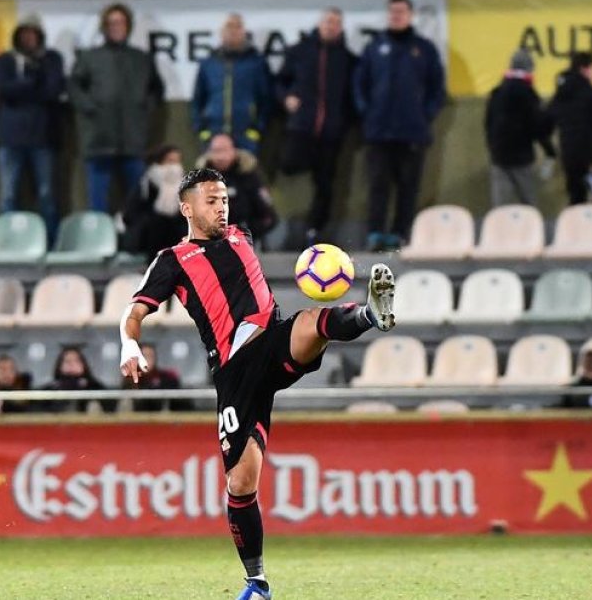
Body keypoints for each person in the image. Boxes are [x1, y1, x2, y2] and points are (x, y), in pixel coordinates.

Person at [120, 167, 396, 600]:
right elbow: (133, 314)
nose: (221, 207)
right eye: (211, 200)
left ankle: (369, 314)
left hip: (271, 339)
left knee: (311, 323)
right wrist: (129, 346)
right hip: (233, 371)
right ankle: (258, 583)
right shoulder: (172, 260)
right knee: (241, 483)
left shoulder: (242, 235)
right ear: (186, 208)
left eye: (224, 198)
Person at [354, 0, 445, 251]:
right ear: (388, 15)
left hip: (413, 133)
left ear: (410, 15)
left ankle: (400, 234)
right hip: (379, 132)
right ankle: (375, 233)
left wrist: (424, 115)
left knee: (408, 187)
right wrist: (368, 113)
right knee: (377, 186)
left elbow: (437, 88)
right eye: (393, 11)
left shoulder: (424, 49)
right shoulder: (374, 48)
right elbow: (359, 85)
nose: (397, 16)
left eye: (402, 12)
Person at [69, 3, 164, 213]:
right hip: (98, 141)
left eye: (120, 22)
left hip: (133, 141)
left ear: (128, 26)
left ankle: (135, 242)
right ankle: (100, 241)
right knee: (98, 203)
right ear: (104, 26)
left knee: (137, 202)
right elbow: (74, 86)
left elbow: (156, 89)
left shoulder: (141, 58)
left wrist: (143, 110)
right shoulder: (89, 57)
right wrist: (90, 108)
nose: (116, 27)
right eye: (111, 23)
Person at [276, 8, 357, 242]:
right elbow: (280, 82)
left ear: (340, 28)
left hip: (331, 132)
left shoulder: (348, 59)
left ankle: (315, 229)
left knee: (325, 183)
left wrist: (345, 120)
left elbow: (353, 95)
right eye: (327, 21)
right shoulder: (299, 52)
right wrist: (286, 97)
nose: (331, 26)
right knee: (288, 163)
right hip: (301, 125)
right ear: (319, 24)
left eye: (335, 23)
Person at [0, 17, 65, 234]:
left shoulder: (52, 59)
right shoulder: (4, 60)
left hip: (43, 138)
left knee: (46, 195)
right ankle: (6, 241)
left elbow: (53, 90)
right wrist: (33, 83)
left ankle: (50, 243)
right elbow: (1, 91)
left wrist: (21, 88)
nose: (29, 38)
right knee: (8, 195)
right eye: (24, 33)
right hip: (10, 138)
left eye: (33, 34)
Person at [191, 13, 274, 154]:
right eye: (229, 26)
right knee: (214, 176)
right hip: (213, 135)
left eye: (238, 26)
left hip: (245, 137)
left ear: (244, 32)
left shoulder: (257, 63)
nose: (233, 31)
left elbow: (266, 99)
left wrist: (256, 131)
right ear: (221, 32)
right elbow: (198, 99)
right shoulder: (208, 63)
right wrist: (203, 131)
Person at [483, 48, 555, 208]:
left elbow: (488, 124)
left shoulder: (497, 93)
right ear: (529, 69)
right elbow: (537, 126)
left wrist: (492, 147)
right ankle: (531, 233)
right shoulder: (528, 94)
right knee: (528, 204)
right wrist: (550, 151)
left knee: (500, 207)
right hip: (521, 156)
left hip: (498, 156)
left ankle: (498, 233)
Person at [547, 51, 592, 206]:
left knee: (576, 197)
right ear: (585, 69)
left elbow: (548, 119)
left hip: (568, 152)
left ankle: (574, 228)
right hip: (591, 153)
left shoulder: (560, 96)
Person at [198, 134, 277, 239]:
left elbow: (268, 215)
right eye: (216, 151)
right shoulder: (199, 178)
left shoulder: (249, 176)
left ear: (234, 150)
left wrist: (246, 234)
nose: (220, 156)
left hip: (243, 238)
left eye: (225, 150)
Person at [122, 144, 188, 256]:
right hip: (149, 239)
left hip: (176, 238)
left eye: (177, 161)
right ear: (159, 162)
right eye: (170, 161)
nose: (175, 167)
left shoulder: (186, 187)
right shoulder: (145, 184)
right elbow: (130, 215)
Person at [44, 346, 112, 413]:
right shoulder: (49, 391)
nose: (71, 364)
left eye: (76, 361)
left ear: (83, 365)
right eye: (67, 361)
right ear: (59, 365)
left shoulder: (96, 388)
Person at [124, 342, 187, 412]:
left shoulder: (166, 378)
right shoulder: (130, 380)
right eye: (145, 356)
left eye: (151, 356)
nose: (148, 360)